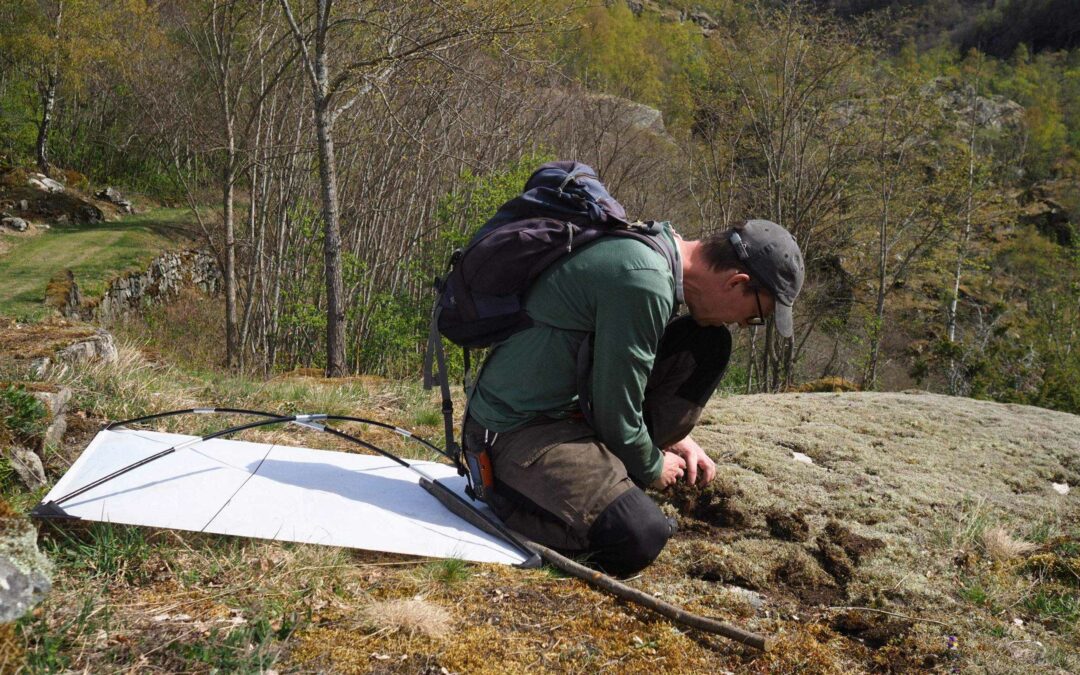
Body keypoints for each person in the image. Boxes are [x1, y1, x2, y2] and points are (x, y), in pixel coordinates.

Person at [464, 218, 804, 576]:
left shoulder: (659, 249)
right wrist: (652, 465)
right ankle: (505, 499)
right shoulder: (645, 281)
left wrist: (677, 439)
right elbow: (616, 411)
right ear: (738, 283)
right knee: (638, 534)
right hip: (514, 432)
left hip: (568, 413)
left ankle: (612, 483)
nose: (742, 323)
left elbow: (620, 378)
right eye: (754, 316)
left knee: (707, 342)